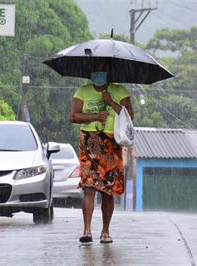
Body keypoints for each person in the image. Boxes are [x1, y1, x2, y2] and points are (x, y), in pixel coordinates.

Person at [69, 65, 134, 244]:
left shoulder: (119, 90)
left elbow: (130, 115)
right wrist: (96, 116)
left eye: (102, 72)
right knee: (89, 187)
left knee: (108, 190)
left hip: (111, 143)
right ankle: (87, 230)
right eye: (95, 72)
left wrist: (111, 101)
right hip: (89, 141)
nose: (98, 76)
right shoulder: (82, 91)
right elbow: (73, 116)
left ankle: (105, 231)